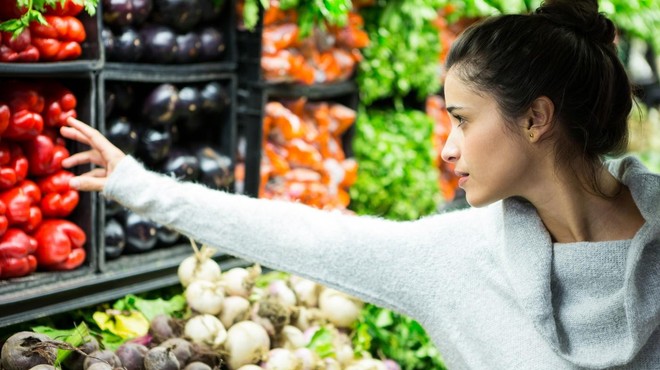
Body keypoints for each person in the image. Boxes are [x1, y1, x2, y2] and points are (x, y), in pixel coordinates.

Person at [60, 0, 659, 368]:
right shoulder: (457, 259)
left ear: (535, 119)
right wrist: (137, 185)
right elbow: (305, 236)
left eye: (462, 120)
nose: (447, 148)